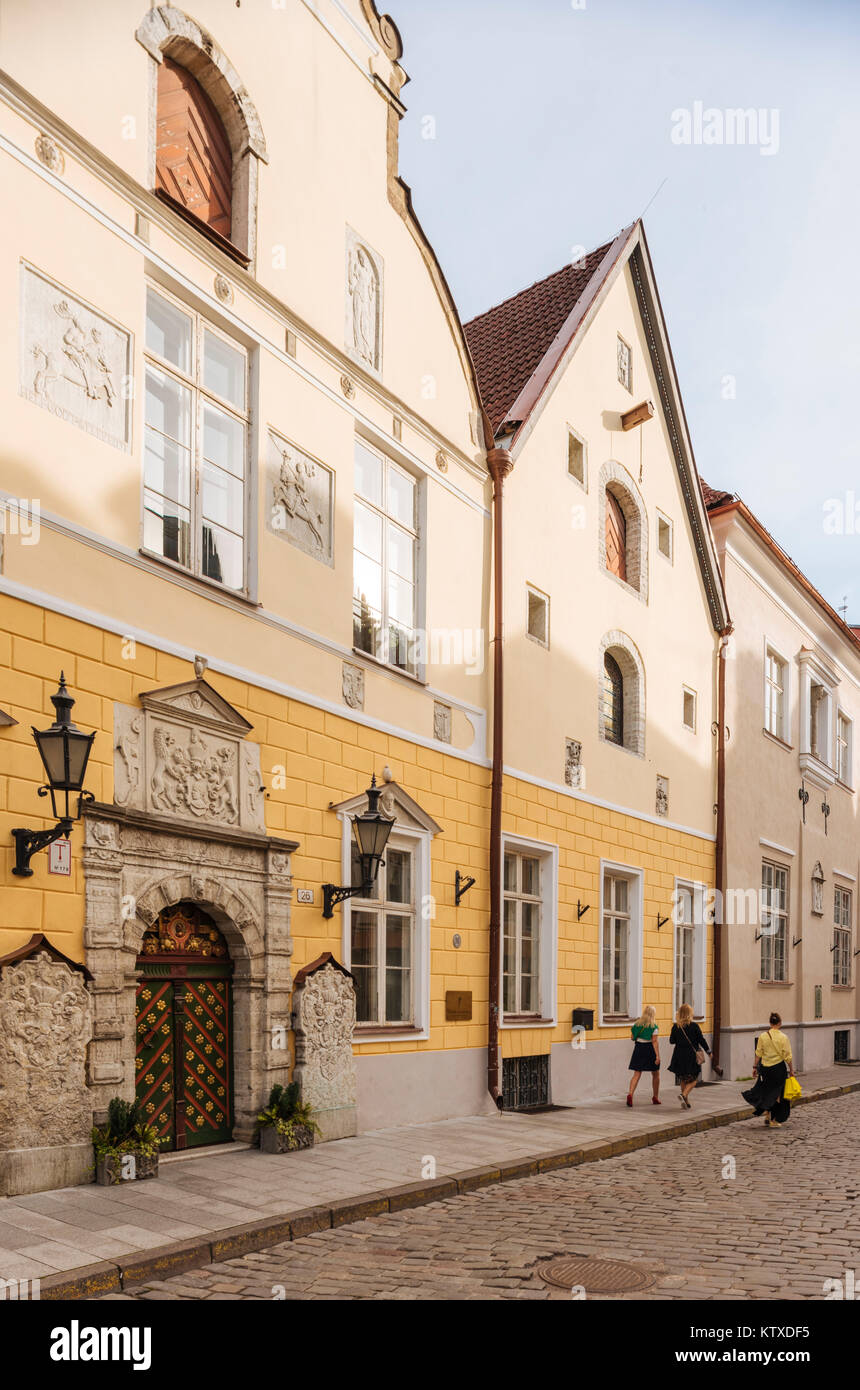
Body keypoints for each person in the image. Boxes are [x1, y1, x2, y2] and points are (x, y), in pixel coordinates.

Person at [741, 1012, 795, 1127]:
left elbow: (758, 1054)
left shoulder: (763, 1036)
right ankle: (773, 1120)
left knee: (767, 1091)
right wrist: (791, 1070)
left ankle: (767, 1114)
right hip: (778, 1069)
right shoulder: (783, 1037)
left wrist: (754, 1067)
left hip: (765, 1069)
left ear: (770, 1023)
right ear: (780, 1023)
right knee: (778, 1094)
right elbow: (788, 1056)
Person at [668, 1003, 712, 1108]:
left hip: (679, 1055)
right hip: (691, 1056)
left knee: (683, 1079)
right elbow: (701, 1040)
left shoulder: (676, 1027)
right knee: (694, 1080)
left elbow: (671, 1041)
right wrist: (709, 1051)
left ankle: (685, 1101)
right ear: (689, 1014)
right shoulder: (694, 1026)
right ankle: (683, 1095)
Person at [627, 1005, 661, 1106]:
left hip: (638, 1048)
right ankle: (655, 1097)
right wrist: (657, 1056)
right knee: (655, 1074)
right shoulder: (654, 1026)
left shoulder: (637, 1024)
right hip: (650, 1050)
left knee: (637, 1073)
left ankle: (630, 1094)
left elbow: (632, 1037)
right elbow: (655, 1042)